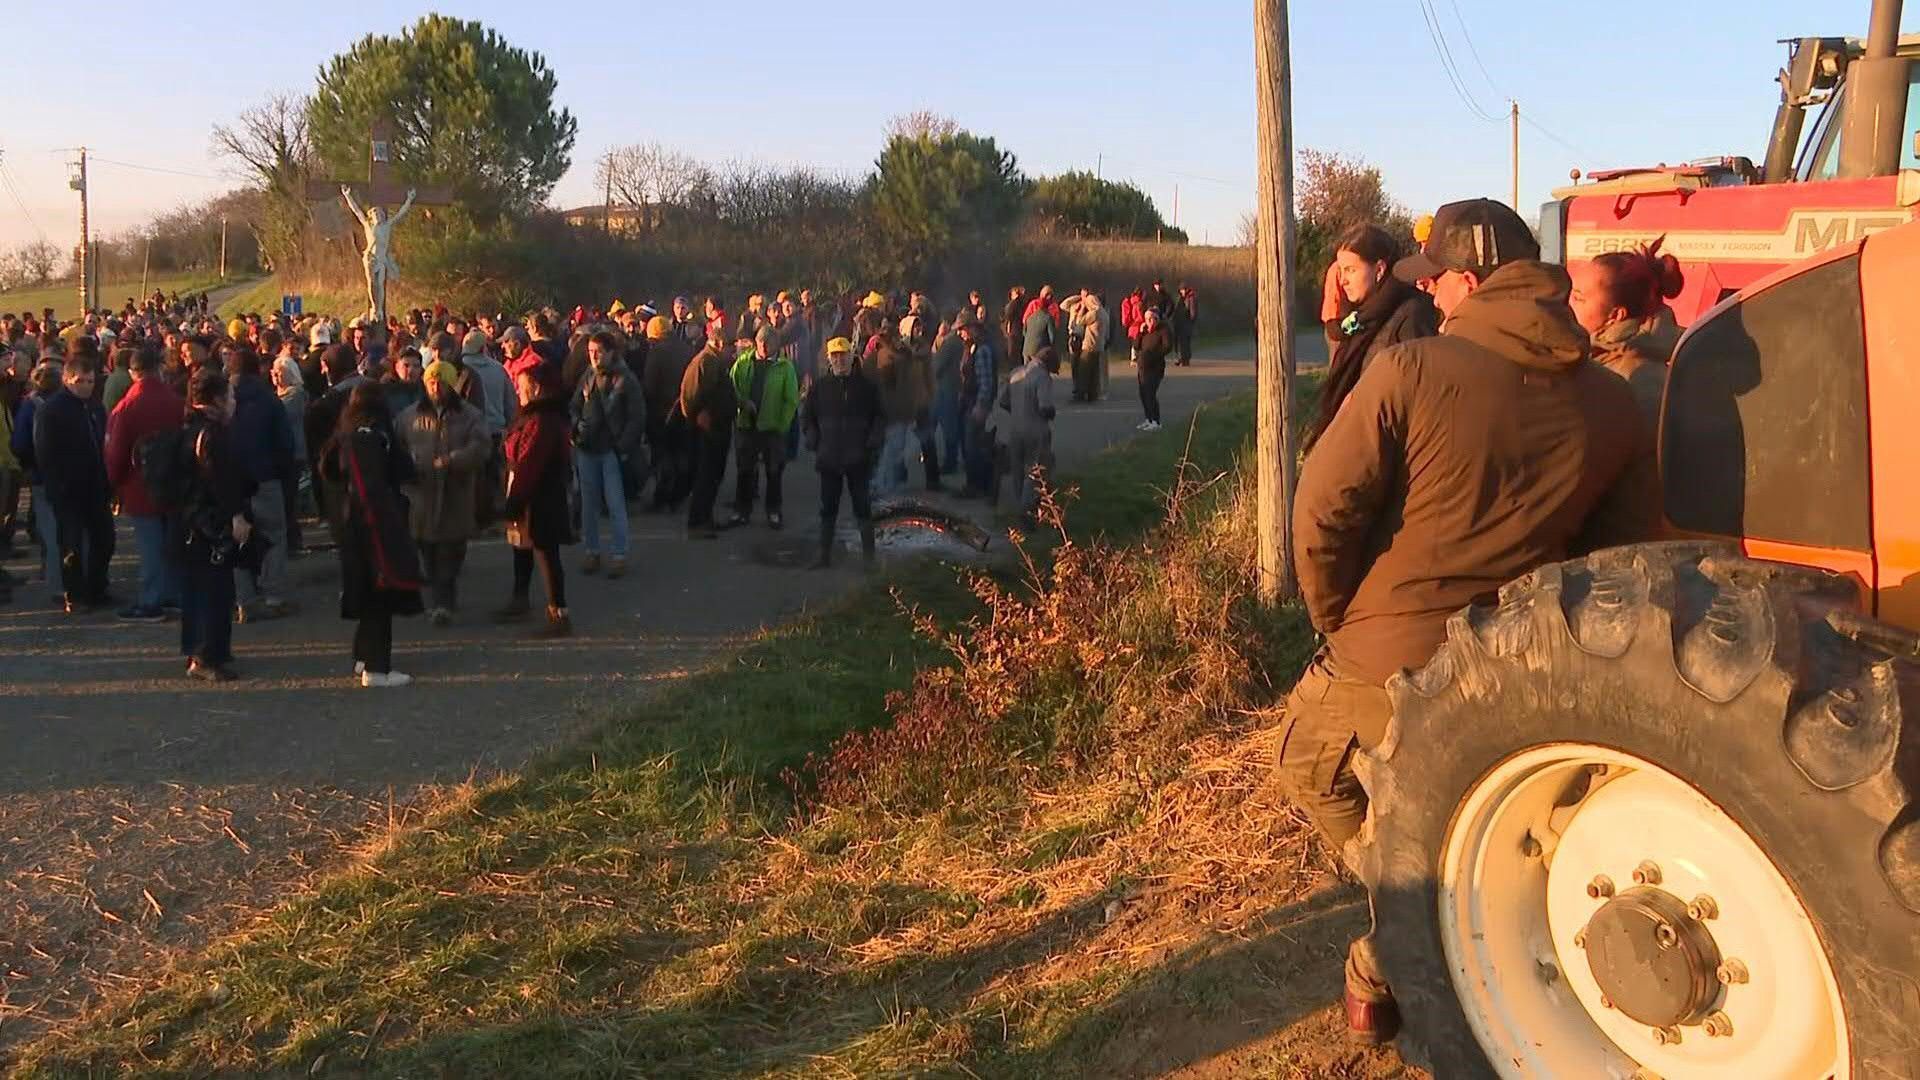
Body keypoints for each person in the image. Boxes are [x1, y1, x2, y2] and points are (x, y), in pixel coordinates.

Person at [1273, 198, 1656, 1042]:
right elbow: (1625, 558)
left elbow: (1321, 510)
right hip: (1528, 661)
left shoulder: (1410, 370)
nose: (1429, 293)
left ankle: (1406, 924)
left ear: (1473, 283)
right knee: (1492, 814)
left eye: (1437, 279)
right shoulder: (1614, 401)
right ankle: (1461, 903)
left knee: (1306, 762)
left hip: (1391, 650)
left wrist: (1339, 617)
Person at [321, 383, 424, 687]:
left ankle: (364, 656)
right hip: (373, 523)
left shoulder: (346, 435)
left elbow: (331, 471)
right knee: (379, 594)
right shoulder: (370, 437)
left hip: (354, 522)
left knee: (367, 592)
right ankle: (377, 668)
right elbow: (375, 485)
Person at [1307, 224, 1440, 451]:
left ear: (1379, 270)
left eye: (1351, 270)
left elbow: (1421, 400)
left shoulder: (1412, 313)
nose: (1343, 280)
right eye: (1341, 271)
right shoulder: (1360, 317)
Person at [172, 368, 252, 682]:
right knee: (215, 592)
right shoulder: (212, 434)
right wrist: (237, 516)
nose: (234, 402)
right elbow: (221, 481)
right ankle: (207, 656)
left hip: (190, 521)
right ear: (217, 399)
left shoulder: (187, 427)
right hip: (210, 523)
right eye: (230, 396)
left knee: (197, 591)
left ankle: (199, 650)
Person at [397, 361, 489, 624]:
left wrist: (455, 459)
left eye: (440, 383)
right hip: (421, 495)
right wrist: (407, 469)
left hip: (455, 492)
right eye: (431, 382)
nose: (435, 387)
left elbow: (481, 447)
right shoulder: (409, 416)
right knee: (427, 549)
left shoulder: (470, 415)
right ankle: (439, 598)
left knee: (451, 550)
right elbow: (398, 447)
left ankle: (443, 603)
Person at [1569, 238, 1684, 434]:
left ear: (1615, 315)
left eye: (1579, 298)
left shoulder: (1641, 378)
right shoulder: (1597, 354)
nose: (1568, 304)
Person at [105, 344, 184, 621]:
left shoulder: (126, 407)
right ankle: (174, 594)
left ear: (132, 372)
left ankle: (152, 600)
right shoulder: (175, 401)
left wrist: (114, 484)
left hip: (139, 486)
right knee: (172, 544)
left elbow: (116, 453)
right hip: (174, 484)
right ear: (158, 368)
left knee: (150, 547)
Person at [495, 363, 573, 636]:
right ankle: (520, 598)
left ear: (536, 388)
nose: (519, 391)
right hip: (526, 490)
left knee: (546, 552)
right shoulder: (531, 416)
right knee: (522, 546)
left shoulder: (543, 421)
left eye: (522, 385)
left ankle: (558, 612)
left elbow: (531, 463)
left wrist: (515, 501)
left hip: (541, 496)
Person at [33, 354, 115, 613]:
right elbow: (45, 453)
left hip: (96, 485)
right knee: (71, 545)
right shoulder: (52, 410)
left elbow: (102, 444)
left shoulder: (94, 407)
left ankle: (96, 588)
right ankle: (75, 595)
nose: (86, 386)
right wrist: (58, 485)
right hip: (68, 488)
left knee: (105, 540)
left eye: (90, 381)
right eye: (80, 381)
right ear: (67, 380)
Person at [802, 336, 882, 569]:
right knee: (828, 509)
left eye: (843, 355)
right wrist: (812, 438)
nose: (839, 360)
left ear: (852, 356)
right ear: (829, 359)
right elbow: (807, 417)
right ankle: (823, 556)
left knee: (863, 509)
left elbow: (879, 417)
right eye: (835, 356)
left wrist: (873, 442)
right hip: (829, 457)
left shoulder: (867, 387)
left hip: (858, 458)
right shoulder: (820, 387)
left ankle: (869, 559)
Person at [228, 348, 296, 621]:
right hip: (266, 478)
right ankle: (274, 596)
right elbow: (285, 443)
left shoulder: (224, 400)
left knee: (239, 539)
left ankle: (244, 600)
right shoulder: (269, 400)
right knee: (274, 536)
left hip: (233, 482)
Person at [571, 331, 645, 572]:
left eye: (598, 352)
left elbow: (636, 417)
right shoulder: (588, 375)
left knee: (615, 505)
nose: (593, 357)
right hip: (587, 448)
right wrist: (576, 428)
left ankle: (619, 554)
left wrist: (622, 447)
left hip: (610, 450)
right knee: (589, 505)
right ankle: (591, 551)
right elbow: (574, 406)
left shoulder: (625, 379)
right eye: (590, 352)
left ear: (611, 353)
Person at [728, 325, 800, 529]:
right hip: (747, 425)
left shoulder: (785, 367)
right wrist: (742, 402)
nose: (765, 347)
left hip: (772, 428)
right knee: (745, 470)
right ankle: (741, 510)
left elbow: (791, 400)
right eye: (761, 343)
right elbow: (732, 386)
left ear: (777, 344)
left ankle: (774, 511)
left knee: (774, 471)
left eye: (769, 344)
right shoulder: (743, 362)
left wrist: (782, 425)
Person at [678, 324, 738, 539]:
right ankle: (697, 522)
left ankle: (706, 518)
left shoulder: (715, 361)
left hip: (718, 427)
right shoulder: (705, 361)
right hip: (708, 430)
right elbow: (691, 397)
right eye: (730, 346)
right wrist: (699, 416)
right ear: (719, 344)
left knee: (713, 476)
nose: (734, 351)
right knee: (706, 477)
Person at [12, 362, 63, 595]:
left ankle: (54, 579)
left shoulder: (29, 406)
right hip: (66, 473)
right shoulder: (68, 403)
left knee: (49, 529)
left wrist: (27, 465)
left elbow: (20, 442)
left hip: (40, 474)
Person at [999, 344, 1058, 523]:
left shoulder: (1016, 372)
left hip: (1015, 428)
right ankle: (1026, 510)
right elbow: (1045, 407)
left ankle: (1018, 502)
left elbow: (1003, 401)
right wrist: (1052, 413)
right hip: (1036, 430)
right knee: (1035, 470)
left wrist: (1018, 411)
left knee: (1017, 468)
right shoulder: (1042, 377)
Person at [868, 318, 926, 498]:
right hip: (894, 413)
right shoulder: (892, 356)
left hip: (894, 412)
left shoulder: (889, 356)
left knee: (891, 452)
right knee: (891, 452)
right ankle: (884, 487)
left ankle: (884, 487)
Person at [641, 315, 693, 513]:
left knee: (662, 456)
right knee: (681, 453)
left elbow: (650, 385)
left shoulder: (656, 353)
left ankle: (662, 497)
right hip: (683, 410)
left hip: (661, 412)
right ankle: (678, 495)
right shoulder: (686, 348)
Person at [956, 318, 998, 499]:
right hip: (968, 401)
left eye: (962, 329)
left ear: (972, 328)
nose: (959, 333)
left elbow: (986, 382)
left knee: (972, 446)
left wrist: (981, 406)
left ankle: (977, 485)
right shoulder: (971, 347)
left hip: (975, 403)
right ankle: (977, 484)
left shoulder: (982, 350)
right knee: (971, 445)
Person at [272, 356, 309, 557]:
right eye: (274, 372)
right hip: (284, 452)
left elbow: (281, 413)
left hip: (294, 453)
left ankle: (293, 541)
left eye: (280, 373)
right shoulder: (278, 396)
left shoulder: (296, 395)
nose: (275, 376)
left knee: (288, 498)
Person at [1061, 290, 1110, 402]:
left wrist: (1082, 309)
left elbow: (1080, 321)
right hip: (1099, 345)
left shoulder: (1094, 313)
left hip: (1089, 345)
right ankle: (1093, 394)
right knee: (1094, 372)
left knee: (1083, 370)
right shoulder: (1104, 313)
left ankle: (1080, 394)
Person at [1133, 308, 1174, 432]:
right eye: (1147, 319)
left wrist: (1152, 355)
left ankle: (1156, 421)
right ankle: (1148, 419)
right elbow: (1136, 346)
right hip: (1142, 367)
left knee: (1150, 393)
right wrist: (1140, 333)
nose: (1149, 321)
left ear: (1157, 319)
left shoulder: (1163, 330)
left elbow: (1167, 347)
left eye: (1152, 319)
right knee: (1143, 394)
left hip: (1155, 367)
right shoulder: (1145, 331)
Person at [1176, 284, 1199, 365]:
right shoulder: (1180, 298)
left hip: (1187, 322)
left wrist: (1191, 320)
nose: (1182, 291)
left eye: (1183, 290)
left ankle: (1185, 359)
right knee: (1180, 341)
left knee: (1185, 341)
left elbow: (1193, 311)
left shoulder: (1191, 298)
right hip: (1179, 322)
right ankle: (1181, 358)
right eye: (1181, 290)